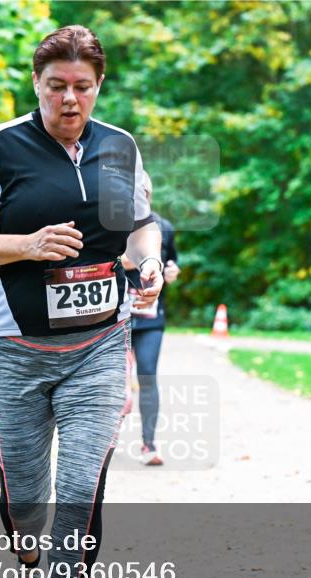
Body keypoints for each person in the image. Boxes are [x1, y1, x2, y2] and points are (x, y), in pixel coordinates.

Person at [0, 25, 163, 578]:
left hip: (99, 341)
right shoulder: (2, 145)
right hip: (16, 344)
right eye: (56, 87)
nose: (69, 100)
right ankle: (29, 557)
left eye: (82, 88)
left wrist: (146, 267)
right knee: (30, 497)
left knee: (80, 486)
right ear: (36, 84)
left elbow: (139, 227)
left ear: (98, 87)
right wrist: (26, 245)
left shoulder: (119, 148)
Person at [123, 172, 180, 466]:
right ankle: (99, 445)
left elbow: (172, 264)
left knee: (147, 375)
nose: (141, 195)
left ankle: (149, 445)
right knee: (112, 382)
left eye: (145, 191)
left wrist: (170, 272)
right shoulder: (109, 224)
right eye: (136, 191)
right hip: (114, 319)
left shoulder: (164, 228)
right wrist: (130, 260)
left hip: (150, 318)